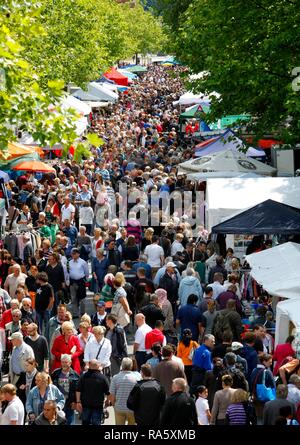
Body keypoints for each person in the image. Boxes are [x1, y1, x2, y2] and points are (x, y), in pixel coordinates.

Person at [76, 359, 110, 425]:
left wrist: (78, 402)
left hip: (85, 405)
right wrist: (107, 401)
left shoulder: (83, 376)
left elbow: (78, 390)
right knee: (96, 423)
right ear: (97, 366)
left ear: (89, 365)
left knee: (85, 423)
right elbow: (108, 392)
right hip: (98, 405)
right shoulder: (102, 378)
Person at [108, 357, 141, 425]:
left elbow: (111, 395)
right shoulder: (137, 377)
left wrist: (114, 405)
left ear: (121, 366)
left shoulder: (115, 378)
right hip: (132, 409)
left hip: (119, 408)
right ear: (131, 366)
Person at [51, 354, 80, 425]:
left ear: (70, 363)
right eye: (62, 362)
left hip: (70, 403)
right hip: (58, 402)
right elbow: (50, 387)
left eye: (66, 362)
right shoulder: (55, 373)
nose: (63, 364)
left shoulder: (75, 375)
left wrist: (76, 402)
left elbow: (78, 390)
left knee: (70, 422)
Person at [250, 353, 276, 424]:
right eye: (270, 362)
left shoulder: (254, 370)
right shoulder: (267, 372)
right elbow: (273, 386)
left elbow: (251, 383)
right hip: (266, 399)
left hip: (255, 398)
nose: (271, 364)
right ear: (264, 361)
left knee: (259, 418)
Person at [67, 248, 89, 318]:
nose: (72, 255)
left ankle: (82, 313)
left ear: (78, 254)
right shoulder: (69, 262)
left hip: (81, 282)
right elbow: (67, 272)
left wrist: (86, 280)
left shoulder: (83, 262)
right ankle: (75, 314)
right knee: (73, 298)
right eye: (72, 253)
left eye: (74, 253)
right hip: (72, 282)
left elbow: (87, 272)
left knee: (82, 299)